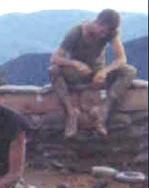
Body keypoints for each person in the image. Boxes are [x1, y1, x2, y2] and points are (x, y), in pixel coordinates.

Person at [49, 9, 137, 138]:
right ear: (97, 23)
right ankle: (71, 113)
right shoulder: (76, 33)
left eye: (106, 33)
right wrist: (75, 64)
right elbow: (55, 58)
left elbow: (121, 58)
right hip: (78, 73)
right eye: (102, 31)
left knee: (129, 71)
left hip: (97, 72)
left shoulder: (110, 34)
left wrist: (105, 71)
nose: (103, 36)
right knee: (54, 70)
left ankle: (104, 111)